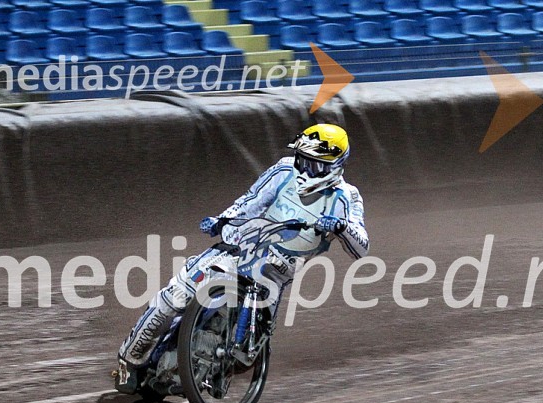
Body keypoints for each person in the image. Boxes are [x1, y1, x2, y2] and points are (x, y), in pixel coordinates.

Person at [116, 123, 369, 389]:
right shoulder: (284, 170)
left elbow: (362, 247)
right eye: (302, 160)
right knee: (175, 297)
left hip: (275, 273)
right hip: (241, 248)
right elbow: (250, 201)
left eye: (313, 165)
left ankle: (200, 374)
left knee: (247, 354)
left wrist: (342, 227)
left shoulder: (347, 198)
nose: (305, 170)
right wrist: (222, 220)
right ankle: (128, 360)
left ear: (334, 166)